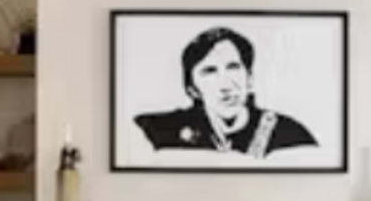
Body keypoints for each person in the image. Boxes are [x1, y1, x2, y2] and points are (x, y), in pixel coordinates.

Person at [136, 25, 320, 158]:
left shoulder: (291, 134)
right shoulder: (159, 130)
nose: (225, 85)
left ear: (249, 79)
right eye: (209, 71)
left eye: (233, 68)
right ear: (192, 89)